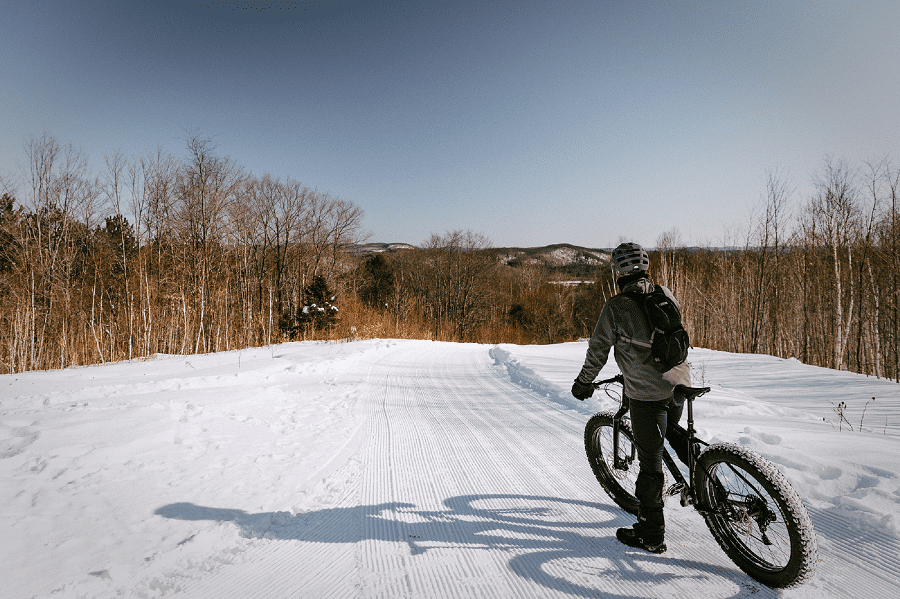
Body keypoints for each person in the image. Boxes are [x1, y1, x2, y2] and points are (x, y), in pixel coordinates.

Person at [571, 242, 691, 554]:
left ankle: (650, 534)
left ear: (617, 273)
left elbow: (598, 351)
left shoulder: (616, 307)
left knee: (650, 464)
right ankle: (708, 479)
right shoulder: (664, 293)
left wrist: (583, 383)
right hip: (679, 381)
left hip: (647, 394)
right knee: (672, 433)